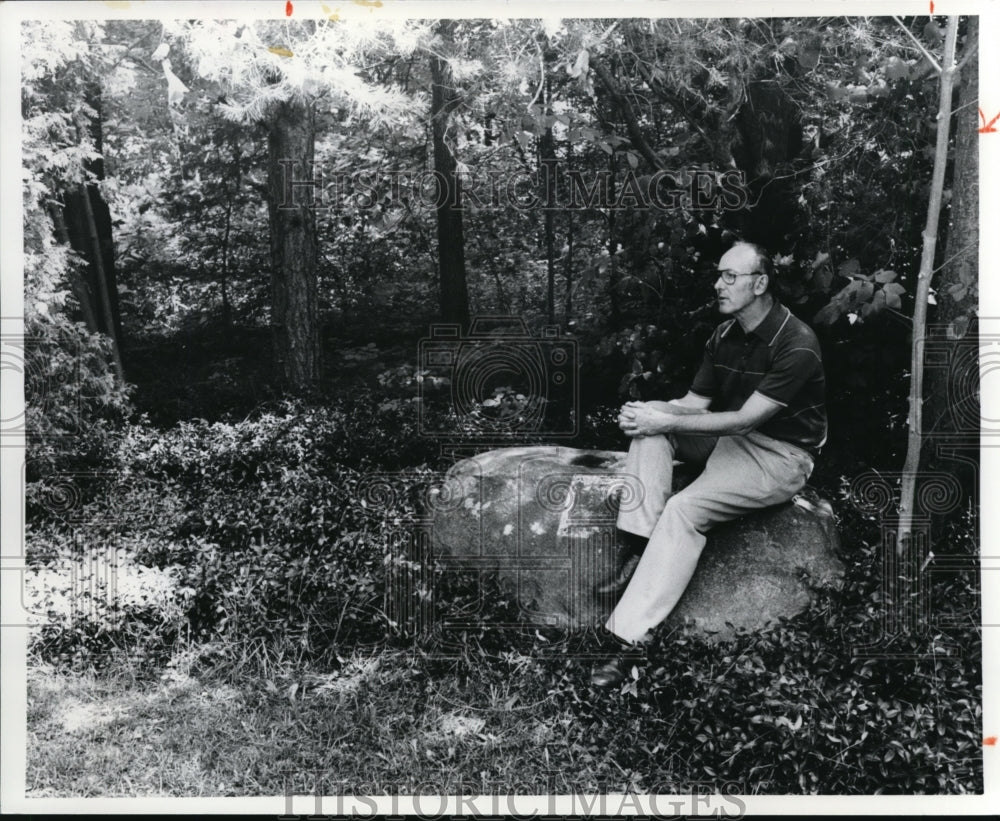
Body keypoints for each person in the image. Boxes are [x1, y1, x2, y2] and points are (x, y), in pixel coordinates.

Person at [590, 241, 827, 688]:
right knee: (654, 419)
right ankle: (643, 550)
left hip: (779, 455)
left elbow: (746, 421)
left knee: (684, 510)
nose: (719, 285)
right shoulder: (724, 335)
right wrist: (649, 414)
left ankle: (628, 645)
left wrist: (665, 417)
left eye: (730, 277)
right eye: (720, 275)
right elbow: (692, 405)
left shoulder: (797, 342)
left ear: (760, 283)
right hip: (729, 439)